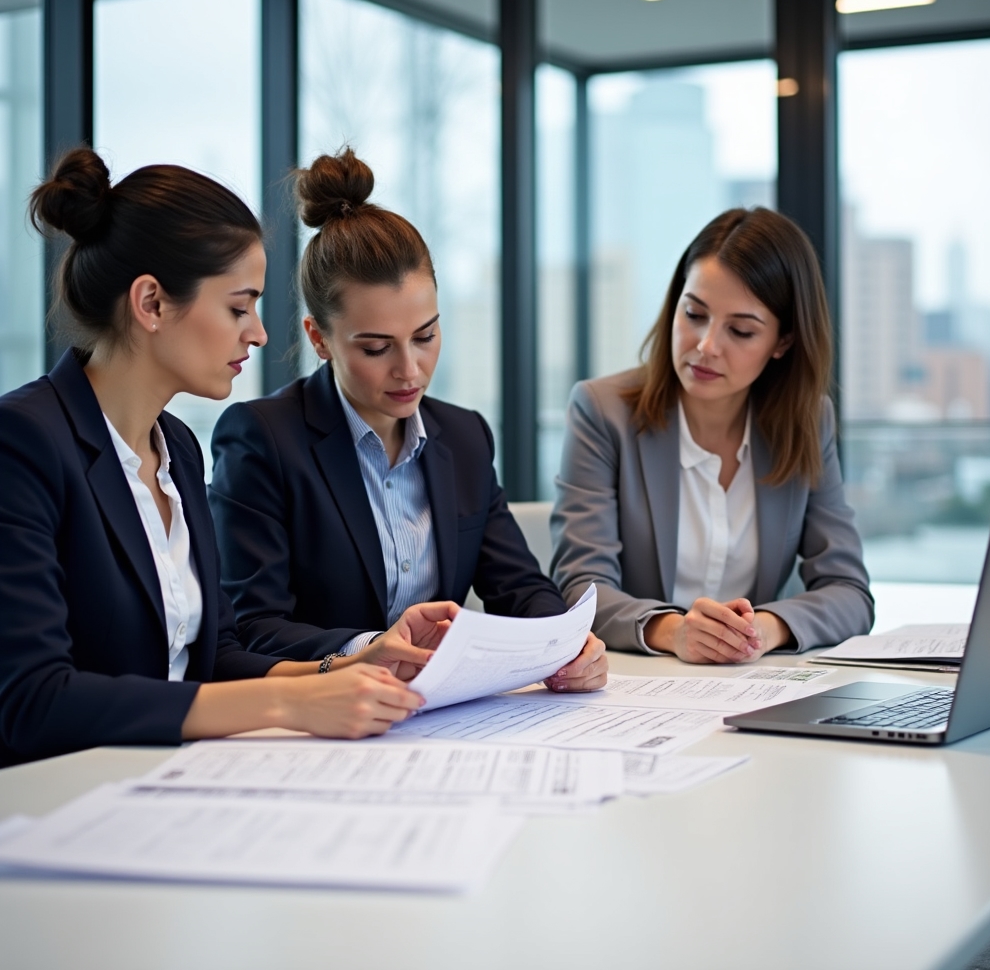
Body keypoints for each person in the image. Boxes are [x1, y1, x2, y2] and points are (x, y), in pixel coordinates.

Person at [0, 148, 451, 766]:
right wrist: (287, 706)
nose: (260, 332)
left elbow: (211, 658)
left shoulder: (177, 449)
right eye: (239, 307)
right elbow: (32, 700)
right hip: (58, 800)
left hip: (167, 779)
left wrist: (349, 664)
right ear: (152, 303)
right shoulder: (23, 442)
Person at [209, 147, 606, 692]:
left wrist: (565, 643)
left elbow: (520, 587)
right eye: (376, 348)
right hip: (325, 709)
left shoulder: (464, 436)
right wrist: (370, 650)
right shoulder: (263, 439)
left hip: (440, 715)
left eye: (425, 336)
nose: (410, 370)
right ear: (319, 338)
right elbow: (252, 628)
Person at [551, 207, 873, 663]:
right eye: (694, 314)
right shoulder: (603, 412)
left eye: (740, 330)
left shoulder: (807, 420)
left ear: (783, 342)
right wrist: (674, 631)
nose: (706, 346)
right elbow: (581, 589)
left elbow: (850, 592)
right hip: (639, 688)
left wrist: (764, 628)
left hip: (752, 684)